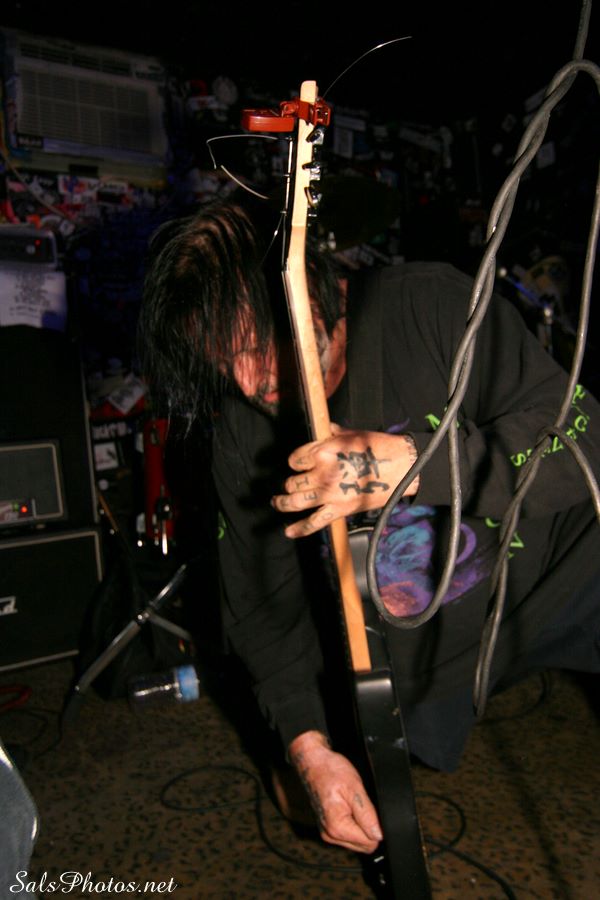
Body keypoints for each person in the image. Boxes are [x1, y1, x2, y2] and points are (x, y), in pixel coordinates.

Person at [138, 196, 600, 854]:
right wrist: (308, 751)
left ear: (310, 288)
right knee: (316, 802)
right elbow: (261, 610)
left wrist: (411, 464)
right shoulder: (242, 432)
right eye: (222, 362)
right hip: (425, 660)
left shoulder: (429, 304)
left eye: (255, 346)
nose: (247, 382)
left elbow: (584, 438)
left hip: (557, 574)